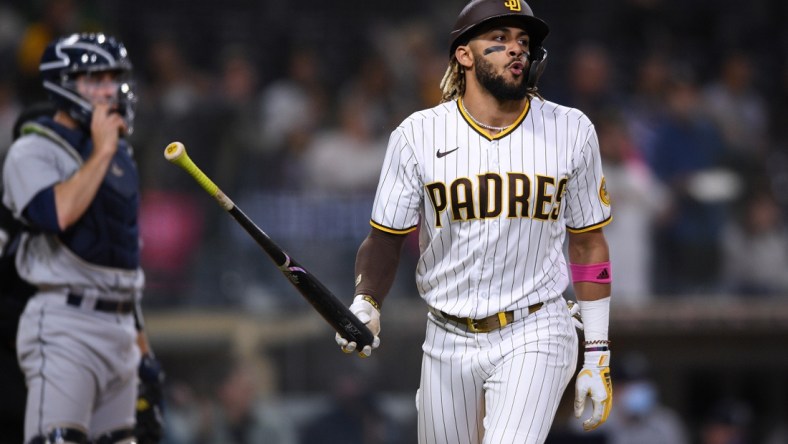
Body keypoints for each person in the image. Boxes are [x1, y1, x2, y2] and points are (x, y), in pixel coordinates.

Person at [335, 1, 614, 442]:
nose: (516, 49)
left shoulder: (570, 129)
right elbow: (385, 238)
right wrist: (367, 301)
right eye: (499, 39)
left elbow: (588, 242)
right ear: (463, 55)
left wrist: (597, 353)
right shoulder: (417, 135)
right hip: (446, 333)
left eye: (523, 41)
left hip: (536, 325)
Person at [2, 33, 164, 443]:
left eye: (114, 78)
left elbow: (124, 259)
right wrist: (103, 151)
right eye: (96, 79)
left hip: (121, 324)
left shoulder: (119, 154)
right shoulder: (32, 149)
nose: (110, 90)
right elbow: (56, 214)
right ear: (64, 83)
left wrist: (144, 354)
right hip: (64, 322)